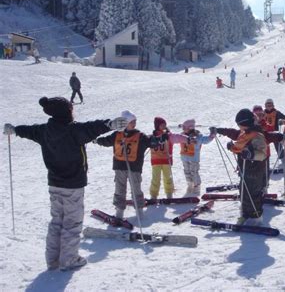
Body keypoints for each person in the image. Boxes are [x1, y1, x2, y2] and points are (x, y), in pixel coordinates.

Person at [3, 97, 127, 271]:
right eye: (71, 109)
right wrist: (110, 124)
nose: (73, 111)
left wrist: (14, 130)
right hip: (73, 185)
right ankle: (69, 260)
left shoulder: (44, 130)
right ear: (66, 112)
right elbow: (91, 128)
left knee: (57, 222)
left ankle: (52, 260)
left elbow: (27, 131)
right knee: (71, 223)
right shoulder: (73, 130)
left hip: (54, 184)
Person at [96, 110, 156, 219]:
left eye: (135, 121)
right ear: (125, 123)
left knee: (136, 189)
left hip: (134, 168)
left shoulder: (140, 135)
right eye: (131, 122)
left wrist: (156, 140)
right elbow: (106, 141)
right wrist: (97, 140)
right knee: (119, 189)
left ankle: (139, 211)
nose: (134, 123)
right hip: (119, 167)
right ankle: (119, 212)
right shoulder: (117, 135)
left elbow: (150, 141)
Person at [216, 109, 267, 226]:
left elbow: (262, 153)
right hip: (244, 168)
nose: (239, 127)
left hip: (255, 169)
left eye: (239, 124)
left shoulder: (257, 135)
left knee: (253, 193)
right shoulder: (244, 134)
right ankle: (245, 213)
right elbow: (240, 147)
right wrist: (232, 147)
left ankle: (256, 217)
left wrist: (252, 154)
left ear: (245, 123)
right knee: (243, 191)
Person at [149, 117, 188, 199]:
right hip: (156, 161)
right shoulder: (152, 137)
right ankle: (153, 195)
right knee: (155, 179)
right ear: (157, 126)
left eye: (165, 125)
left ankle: (169, 194)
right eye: (162, 125)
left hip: (166, 160)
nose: (164, 126)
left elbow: (178, 137)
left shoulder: (168, 136)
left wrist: (187, 139)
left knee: (168, 178)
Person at [180, 119, 215, 196]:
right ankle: (190, 185)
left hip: (193, 159)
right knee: (187, 172)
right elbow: (174, 138)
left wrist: (212, 135)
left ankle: (196, 187)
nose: (183, 129)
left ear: (190, 128)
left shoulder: (197, 137)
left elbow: (206, 140)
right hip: (184, 158)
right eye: (183, 128)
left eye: (184, 128)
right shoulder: (182, 135)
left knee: (194, 172)